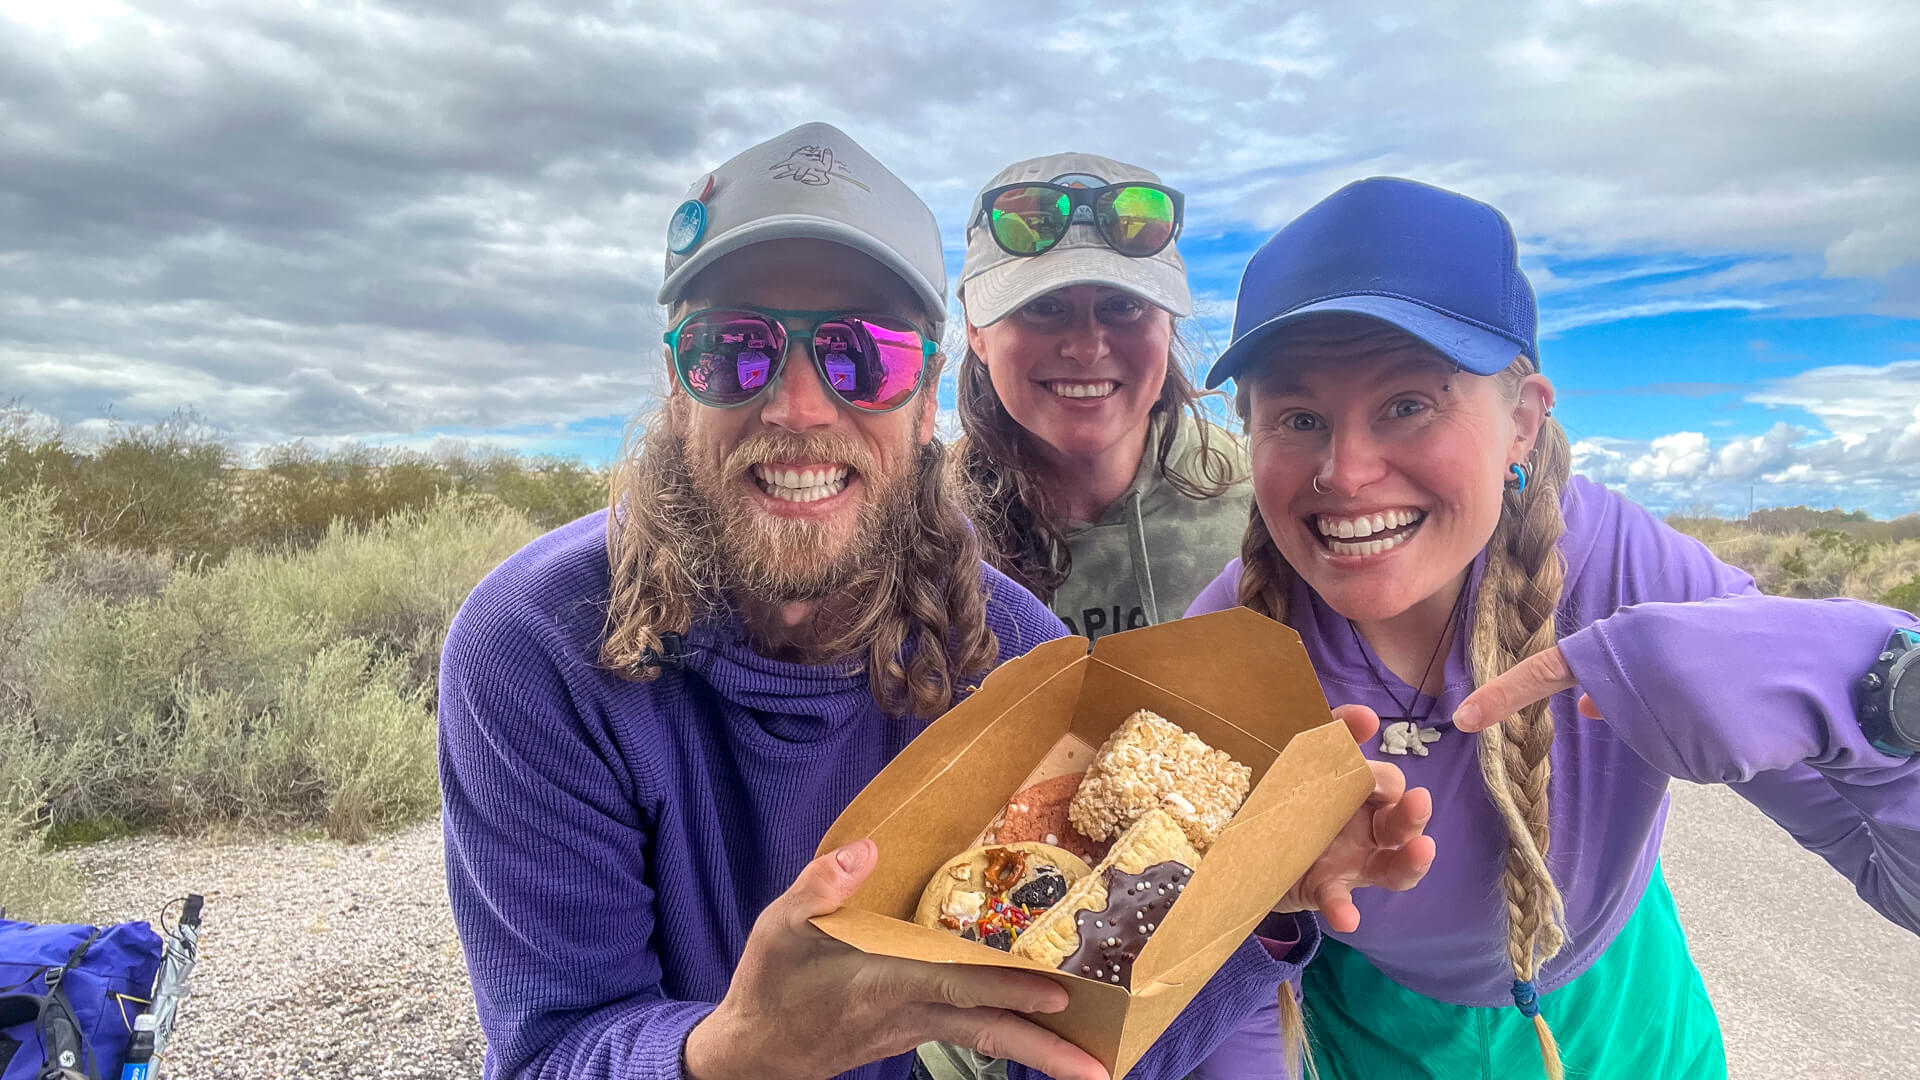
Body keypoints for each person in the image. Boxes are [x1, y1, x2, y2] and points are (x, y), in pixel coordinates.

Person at [437, 123, 1435, 1080]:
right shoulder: (535, 648)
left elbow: (1064, 1032)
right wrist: (746, 1053)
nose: (798, 406)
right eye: (734, 348)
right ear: (675, 381)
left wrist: (1253, 898)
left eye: (860, 354)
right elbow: (547, 1049)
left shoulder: (1009, 657)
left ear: (925, 398)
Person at [1186, 175, 1920, 1079]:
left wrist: (1879, 693)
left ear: (1523, 421)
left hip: (1625, 1023)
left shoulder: (1630, 576)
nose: (1346, 471)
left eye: (1408, 404)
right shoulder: (1223, 642)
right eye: (1298, 418)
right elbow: (1220, 967)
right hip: (1372, 1037)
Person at [951, 153, 1248, 641]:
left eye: (1123, 306)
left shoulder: (1259, 509)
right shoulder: (924, 534)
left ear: (1168, 324)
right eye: (1043, 307)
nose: (1087, 349)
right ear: (975, 329)